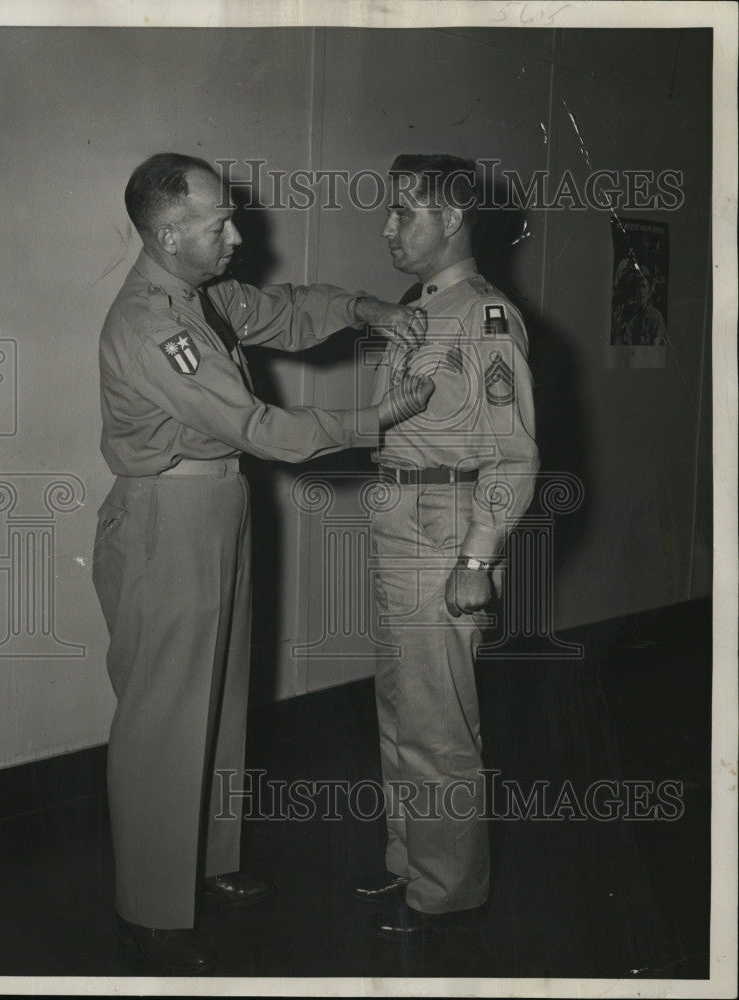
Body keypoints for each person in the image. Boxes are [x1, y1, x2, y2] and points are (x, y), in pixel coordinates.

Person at [92, 152, 434, 975]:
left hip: (219, 505)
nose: (236, 236)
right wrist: (375, 418)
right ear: (170, 234)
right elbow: (262, 428)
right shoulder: (153, 324)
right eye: (218, 225)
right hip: (169, 517)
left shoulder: (200, 296)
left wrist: (365, 308)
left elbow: (281, 312)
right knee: (165, 718)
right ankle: (150, 912)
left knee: (222, 703)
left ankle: (204, 865)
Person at [354, 153, 540, 937]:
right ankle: (411, 867)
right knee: (401, 713)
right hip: (402, 515)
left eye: (406, 212)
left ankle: (446, 896)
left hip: (443, 525)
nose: (390, 227)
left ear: (454, 220)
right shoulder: (420, 305)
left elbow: (515, 451)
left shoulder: (485, 317)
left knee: (440, 727)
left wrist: (478, 556)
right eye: (392, 211)